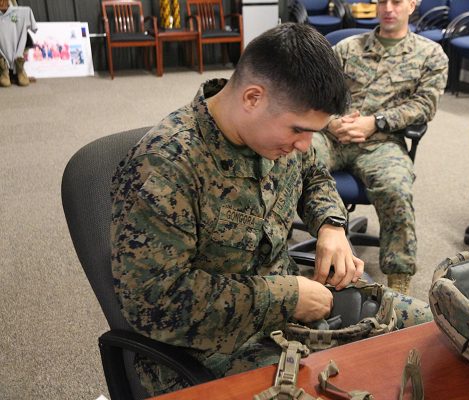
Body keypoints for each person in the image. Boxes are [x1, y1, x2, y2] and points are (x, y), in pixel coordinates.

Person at [111, 23, 433, 397]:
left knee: (430, 330)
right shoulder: (164, 165)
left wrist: (331, 225)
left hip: (293, 308)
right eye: (299, 130)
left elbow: (314, 175)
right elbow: (154, 305)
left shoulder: (279, 135)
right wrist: (286, 295)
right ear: (252, 98)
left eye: (315, 132)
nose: (304, 145)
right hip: (211, 347)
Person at [311, 0, 448, 293]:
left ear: (413, 4)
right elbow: (316, 92)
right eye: (382, 1)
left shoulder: (430, 54)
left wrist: (376, 122)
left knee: (396, 188)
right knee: (290, 161)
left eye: (397, 1)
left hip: (382, 142)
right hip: (332, 135)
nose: (388, 8)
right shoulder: (347, 48)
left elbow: (425, 105)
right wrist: (332, 122)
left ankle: (399, 284)